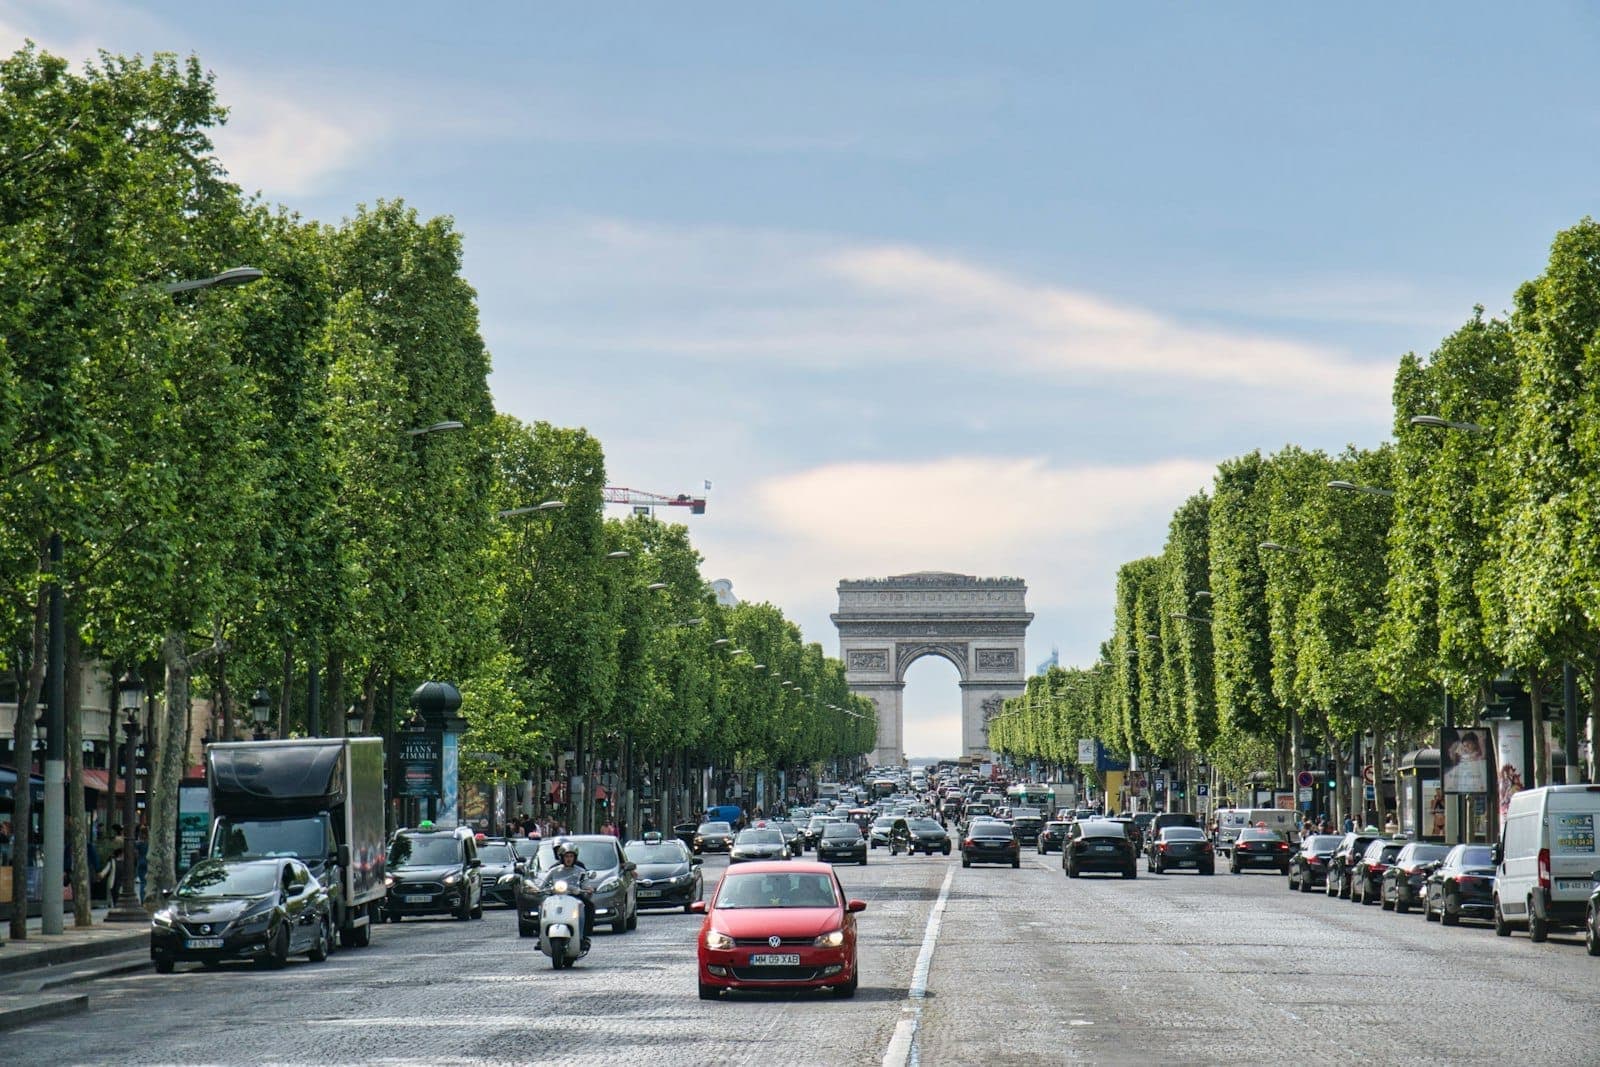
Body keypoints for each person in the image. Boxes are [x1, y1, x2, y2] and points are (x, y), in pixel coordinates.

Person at [541, 840, 594, 952]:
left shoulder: (580, 870)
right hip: (556, 897)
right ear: (562, 857)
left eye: (571, 856)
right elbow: (543, 884)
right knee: (542, 906)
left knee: (588, 906)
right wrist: (538, 889)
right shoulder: (554, 870)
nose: (569, 859)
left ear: (575, 857)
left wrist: (587, 889)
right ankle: (541, 935)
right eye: (566, 856)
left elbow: (586, 884)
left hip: (575, 897)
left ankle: (584, 936)